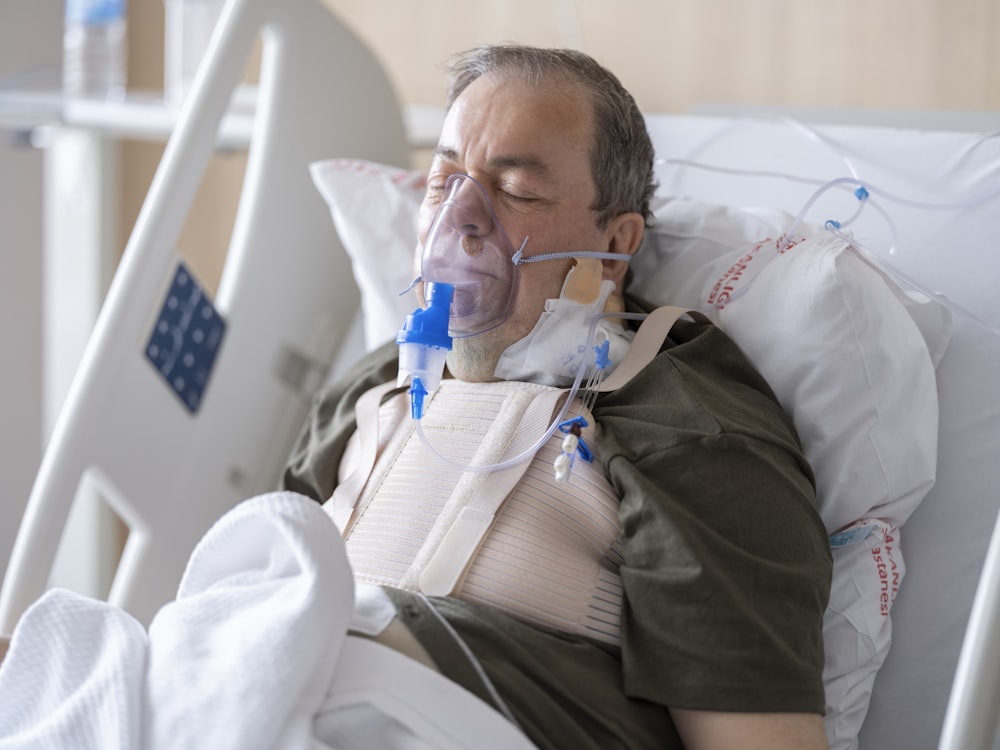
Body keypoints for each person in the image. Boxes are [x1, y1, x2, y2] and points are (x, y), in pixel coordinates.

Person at [284, 44, 832, 750]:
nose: (462, 217)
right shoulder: (368, 392)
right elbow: (248, 590)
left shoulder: (689, 430)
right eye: (445, 178)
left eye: (515, 189)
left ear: (613, 248)